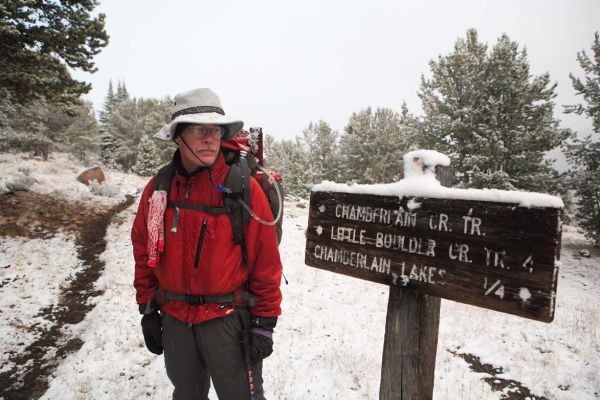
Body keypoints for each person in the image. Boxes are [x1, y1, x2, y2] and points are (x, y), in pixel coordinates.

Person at [131, 88, 283, 400]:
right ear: (177, 137)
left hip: (229, 322)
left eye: (215, 131)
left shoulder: (242, 188)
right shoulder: (159, 187)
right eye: (200, 130)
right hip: (175, 321)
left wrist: (265, 322)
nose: (210, 139)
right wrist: (147, 309)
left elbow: (266, 261)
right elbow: (144, 247)